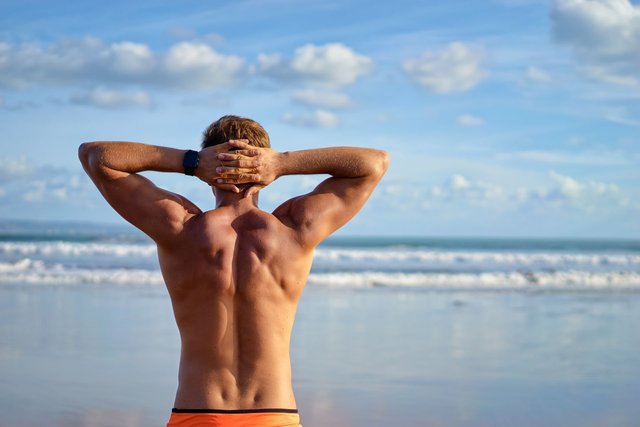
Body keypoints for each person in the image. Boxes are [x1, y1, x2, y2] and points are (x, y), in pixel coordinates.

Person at [78, 115, 389, 427]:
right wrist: (282, 163)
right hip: (275, 416)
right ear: (263, 161)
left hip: (197, 414)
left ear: (210, 167)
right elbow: (374, 163)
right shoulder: (295, 229)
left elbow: (97, 156)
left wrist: (191, 162)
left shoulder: (180, 228)